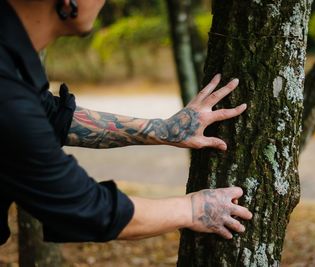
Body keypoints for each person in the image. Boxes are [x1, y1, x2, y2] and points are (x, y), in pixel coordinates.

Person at [0, 0, 252, 246]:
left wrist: (168, 130)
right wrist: (192, 210)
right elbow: (80, 208)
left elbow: (50, 115)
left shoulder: (10, 65)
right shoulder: (7, 95)